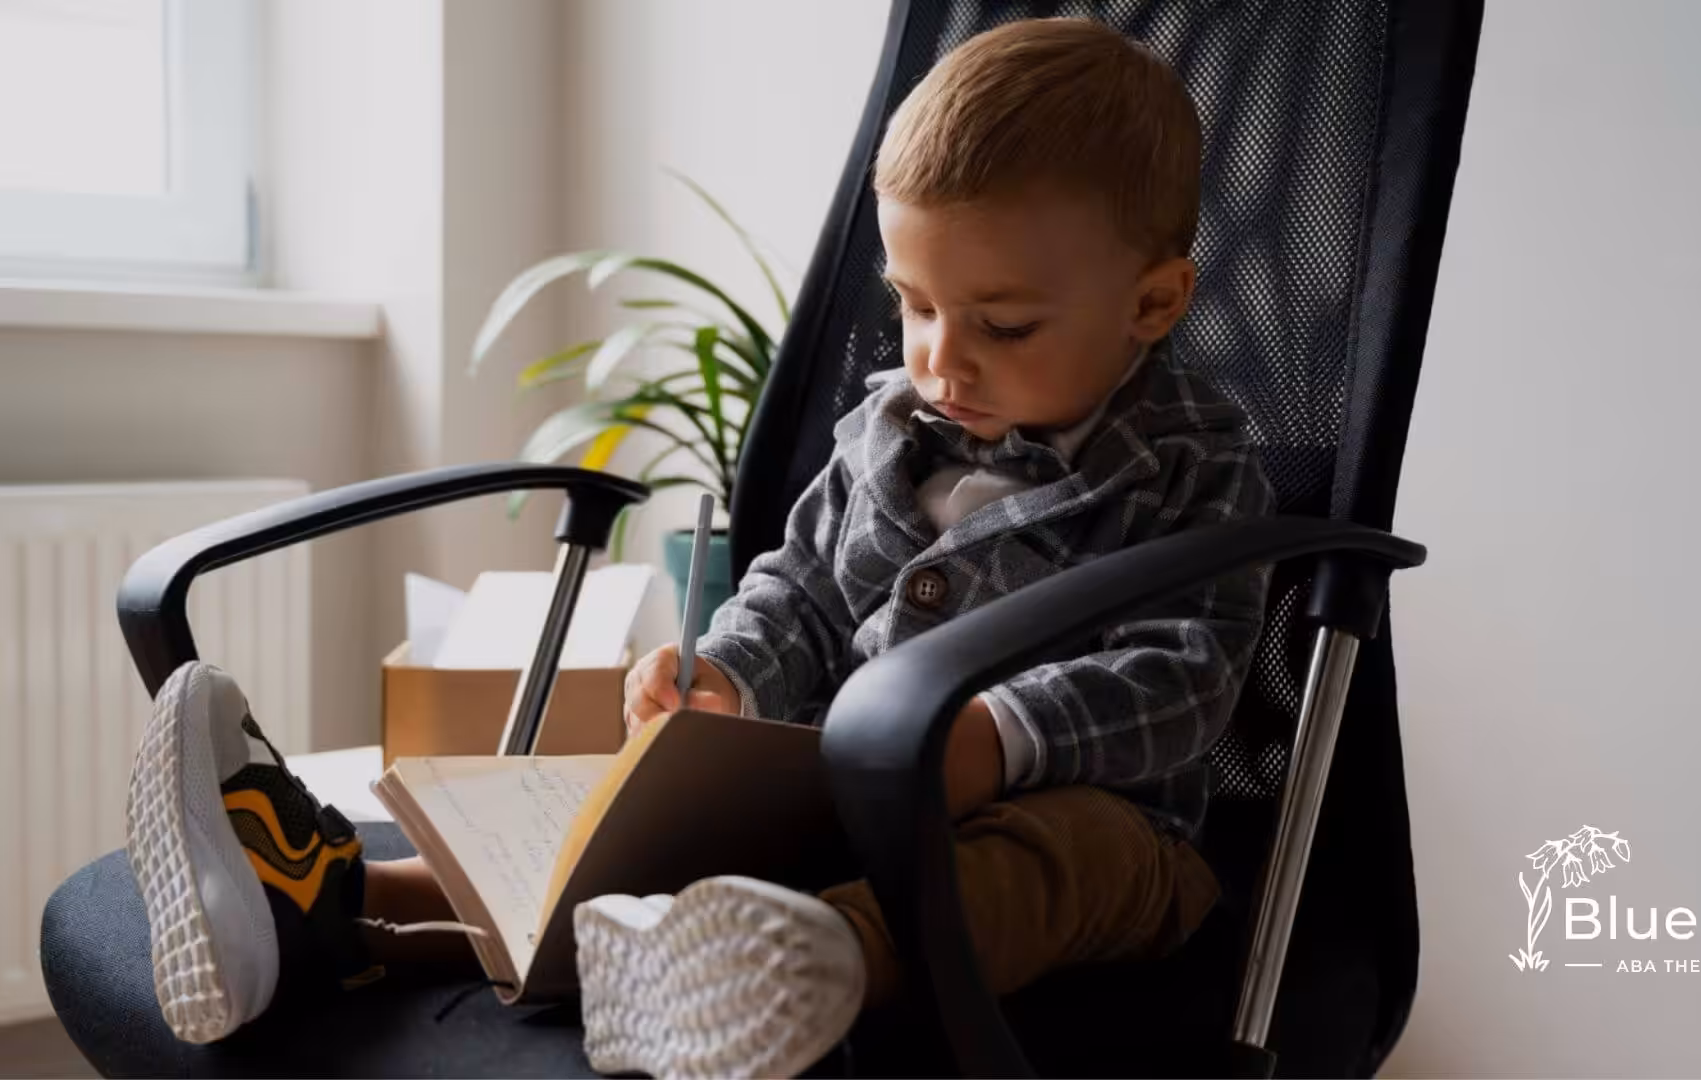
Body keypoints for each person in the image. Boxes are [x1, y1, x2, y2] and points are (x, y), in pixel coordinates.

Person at [126, 16, 1274, 1079]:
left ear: (1156, 302)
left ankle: (801, 970)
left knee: (1043, 863)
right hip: (838, 801)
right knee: (634, 821)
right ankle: (323, 902)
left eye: (1002, 326)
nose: (941, 361)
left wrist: (1000, 736)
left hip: (1102, 833)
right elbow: (805, 588)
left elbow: (1189, 678)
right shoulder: (891, 431)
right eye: (914, 307)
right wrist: (728, 669)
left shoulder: (1193, 467)